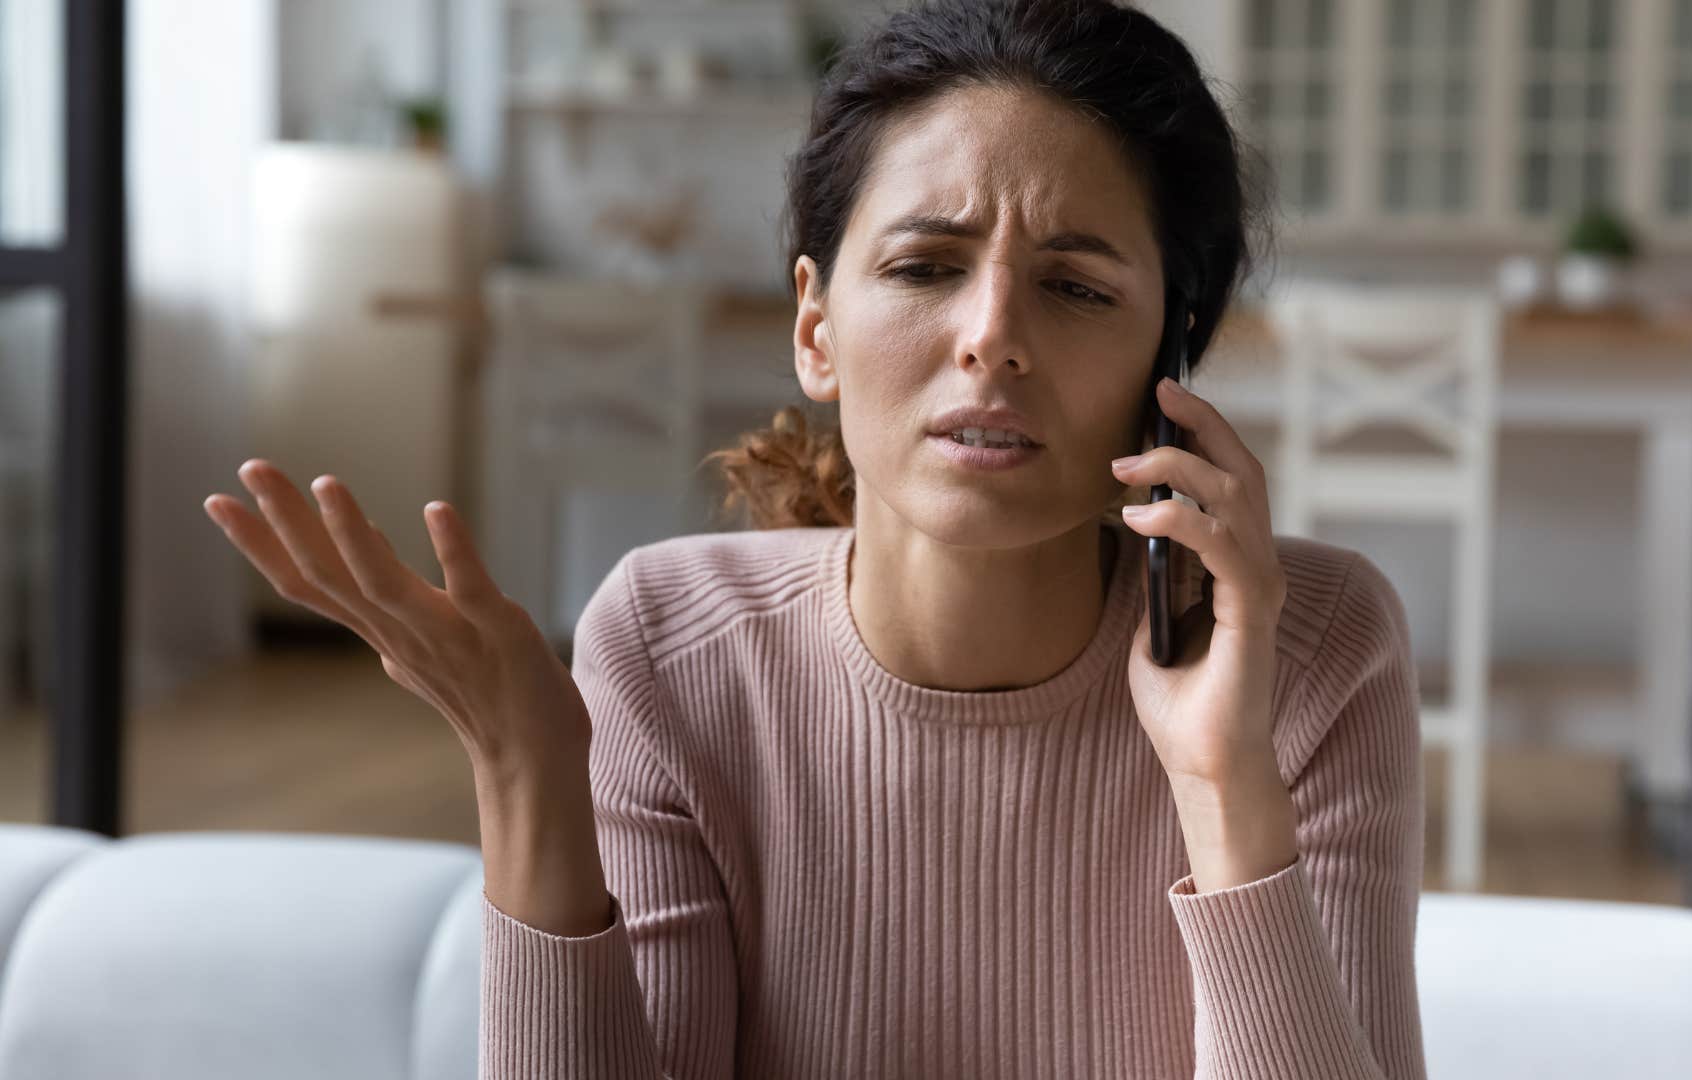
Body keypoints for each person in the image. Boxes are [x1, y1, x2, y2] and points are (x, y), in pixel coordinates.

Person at [203, 0, 1427, 1075]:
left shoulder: (1308, 652)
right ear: (816, 328)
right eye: (924, 265)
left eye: (1077, 288)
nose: (990, 335)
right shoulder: (670, 646)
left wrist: (1223, 784)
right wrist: (528, 771)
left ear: (1171, 358)